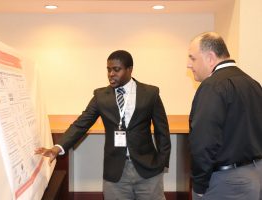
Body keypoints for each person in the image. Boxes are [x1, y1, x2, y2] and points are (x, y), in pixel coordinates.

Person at [35, 50, 171, 200]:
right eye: (108, 69)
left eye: (116, 69)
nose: (111, 74)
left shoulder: (150, 93)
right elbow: (81, 124)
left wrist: (162, 162)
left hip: (148, 170)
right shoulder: (101, 96)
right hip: (115, 173)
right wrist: (57, 148)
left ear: (129, 69)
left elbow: (162, 130)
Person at [187, 31, 262, 200]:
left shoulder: (213, 86)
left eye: (192, 58)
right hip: (255, 175)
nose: (188, 65)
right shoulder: (252, 83)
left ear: (210, 58)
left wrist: (199, 184)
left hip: (227, 183)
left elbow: (203, 141)